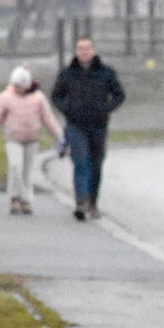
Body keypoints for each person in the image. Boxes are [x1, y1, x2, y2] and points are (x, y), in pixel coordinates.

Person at [50, 36, 125, 221]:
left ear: (93, 51)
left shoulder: (106, 73)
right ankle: (81, 201)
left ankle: (93, 202)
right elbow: (56, 96)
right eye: (80, 49)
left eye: (87, 49)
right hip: (76, 125)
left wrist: (106, 109)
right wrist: (67, 110)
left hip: (98, 125)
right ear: (76, 52)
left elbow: (119, 95)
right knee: (81, 162)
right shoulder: (68, 74)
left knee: (96, 164)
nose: (84, 52)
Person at [0, 65, 64, 215]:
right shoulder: (6, 97)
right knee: (15, 167)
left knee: (27, 171)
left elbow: (48, 119)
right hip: (13, 139)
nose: (17, 89)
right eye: (15, 85)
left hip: (32, 139)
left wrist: (59, 136)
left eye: (20, 86)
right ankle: (15, 197)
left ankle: (26, 200)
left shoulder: (38, 98)